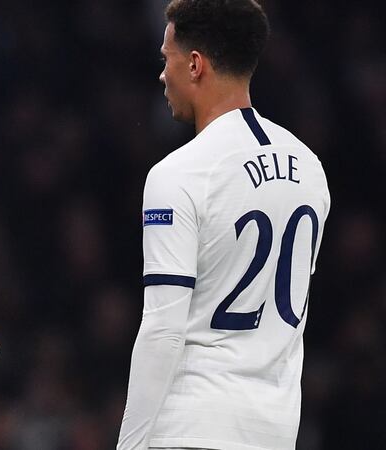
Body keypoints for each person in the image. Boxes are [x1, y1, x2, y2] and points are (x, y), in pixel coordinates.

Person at [117, 1, 330, 449]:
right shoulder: (310, 169)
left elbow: (164, 329)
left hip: (192, 429)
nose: (162, 74)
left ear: (195, 64)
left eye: (166, 58)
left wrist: (130, 445)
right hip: (275, 431)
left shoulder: (178, 174)